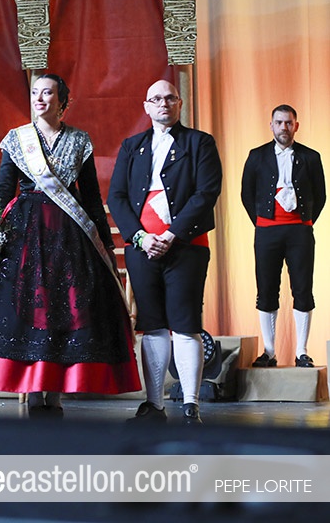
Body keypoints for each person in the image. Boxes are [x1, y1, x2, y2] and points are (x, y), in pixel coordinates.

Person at [0, 74, 141, 415]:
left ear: (63, 101)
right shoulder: (17, 139)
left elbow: (90, 197)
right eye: (35, 93)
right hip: (24, 233)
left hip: (70, 235)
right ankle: (32, 392)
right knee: (25, 308)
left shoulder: (79, 140)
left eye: (48, 93)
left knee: (65, 309)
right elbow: (3, 193)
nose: (40, 99)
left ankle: (55, 393)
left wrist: (105, 245)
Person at [108, 79, 222, 425]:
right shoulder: (132, 146)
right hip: (142, 248)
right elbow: (117, 197)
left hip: (187, 247)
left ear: (180, 103)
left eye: (170, 98)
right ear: (146, 106)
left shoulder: (200, 143)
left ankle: (190, 404)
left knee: (186, 324)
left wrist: (172, 235)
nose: (163, 104)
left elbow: (206, 193)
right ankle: (153, 404)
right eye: (156, 99)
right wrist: (140, 237)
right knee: (152, 324)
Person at [241, 104, 325, 368]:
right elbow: (246, 194)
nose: (284, 127)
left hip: (300, 231)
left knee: (303, 288)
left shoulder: (311, 157)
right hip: (267, 231)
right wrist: (262, 223)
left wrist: (304, 223)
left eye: (288, 123)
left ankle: (301, 351)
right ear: (271, 125)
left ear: (296, 126)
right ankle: (269, 352)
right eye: (279, 122)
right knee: (266, 288)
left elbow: (320, 196)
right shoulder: (256, 156)